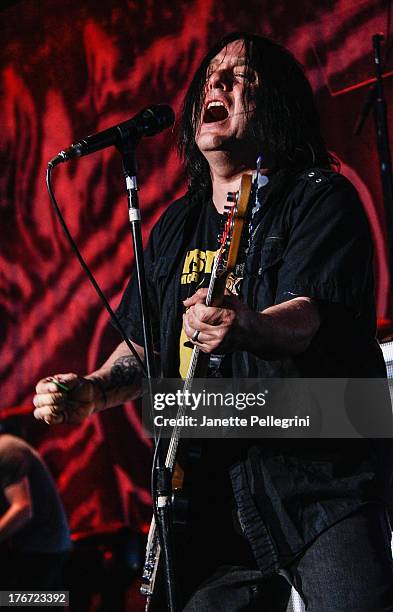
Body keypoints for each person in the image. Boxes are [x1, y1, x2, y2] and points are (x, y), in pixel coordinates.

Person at [33, 32, 393, 610]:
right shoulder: (178, 224)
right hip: (207, 492)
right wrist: (94, 390)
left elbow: (309, 316)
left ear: (275, 100)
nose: (216, 84)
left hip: (319, 474)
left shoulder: (320, 196)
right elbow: (143, 346)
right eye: (210, 77)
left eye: (240, 75)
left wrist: (249, 325)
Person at [0, 429, 71, 591]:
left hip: (41, 550)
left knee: (16, 603)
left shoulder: (6, 450)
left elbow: (22, 509)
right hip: (42, 548)